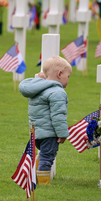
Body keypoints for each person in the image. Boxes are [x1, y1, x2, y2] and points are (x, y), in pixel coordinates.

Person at [19, 56, 72, 185]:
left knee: (43, 154)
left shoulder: (38, 89)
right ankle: (43, 183)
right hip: (49, 134)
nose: (68, 80)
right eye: (68, 76)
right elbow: (58, 116)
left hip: (36, 133)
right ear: (60, 74)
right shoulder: (57, 92)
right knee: (47, 158)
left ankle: (35, 176)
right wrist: (62, 134)